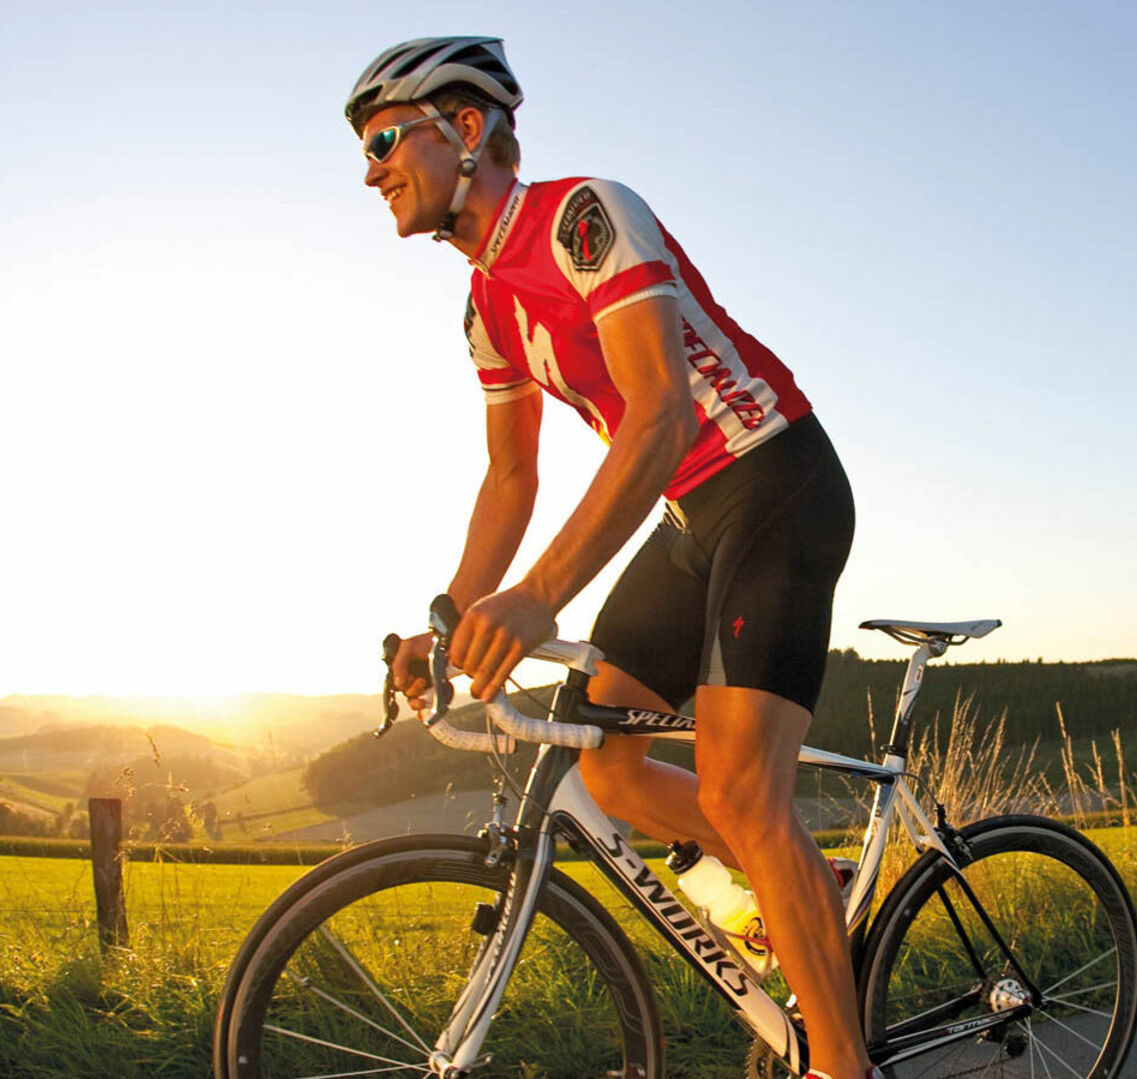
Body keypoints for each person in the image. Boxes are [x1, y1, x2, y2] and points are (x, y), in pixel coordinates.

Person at [347, 37, 869, 1079]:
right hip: (686, 513)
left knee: (737, 786)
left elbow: (664, 414)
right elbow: (510, 479)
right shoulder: (482, 303)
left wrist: (540, 596)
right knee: (609, 760)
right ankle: (793, 879)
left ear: (466, 129)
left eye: (385, 140)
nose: (372, 172)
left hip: (773, 478)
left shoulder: (585, 215)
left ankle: (842, 1064)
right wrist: (451, 618)